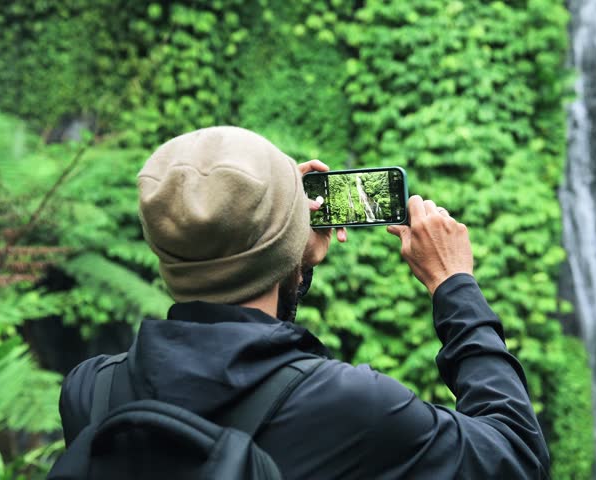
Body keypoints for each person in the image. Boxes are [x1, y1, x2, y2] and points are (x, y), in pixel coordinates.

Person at [58, 126, 550, 478]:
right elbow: (518, 455)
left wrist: (278, 240)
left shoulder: (91, 392)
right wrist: (453, 283)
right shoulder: (351, 406)